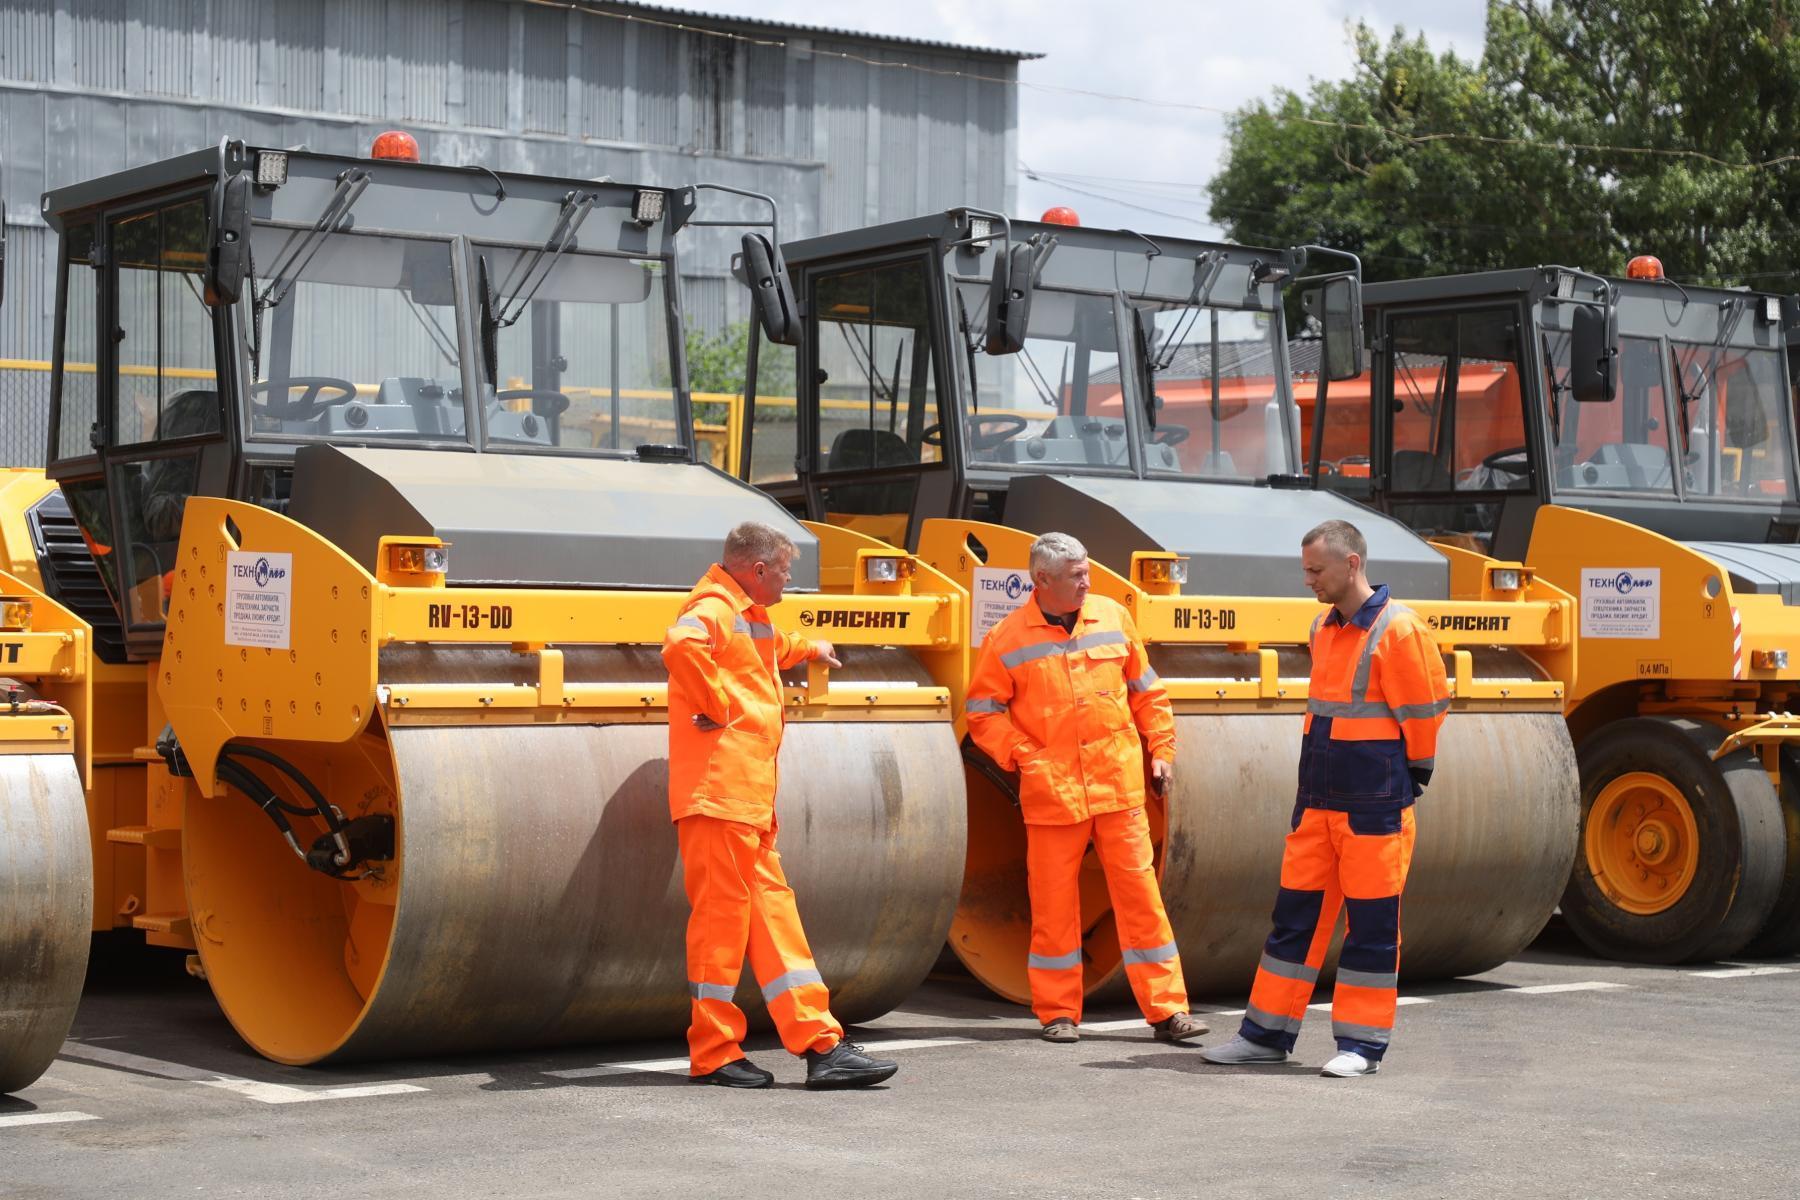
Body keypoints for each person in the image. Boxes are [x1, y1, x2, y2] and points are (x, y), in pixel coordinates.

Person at [1201, 519, 1449, 1077]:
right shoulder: (1323, 628)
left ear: (1351, 564)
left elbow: (1426, 713)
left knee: (1372, 927)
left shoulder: (1399, 630)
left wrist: (1410, 777)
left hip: (1374, 806)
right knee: (1294, 921)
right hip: (1317, 800)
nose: (1308, 579)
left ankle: (1361, 1047)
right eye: (1306, 570)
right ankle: (1264, 1036)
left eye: (1316, 569)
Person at [662, 520, 900, 1090]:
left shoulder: (750, 615)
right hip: (719, 798)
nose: (791, 580)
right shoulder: (715, 605)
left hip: (746, 800)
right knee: (722, 926)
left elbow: (765, 651)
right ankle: (714, 1052)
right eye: (787, 570)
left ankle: (823, 1045)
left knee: (775, 919)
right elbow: (680, 645)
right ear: (758, 569)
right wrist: (715, 705)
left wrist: (812, 646)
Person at [966, 531, 1208, 1046]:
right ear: (1042, 580)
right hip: (1053, 797)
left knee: (1142, 900)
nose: (1086, 582)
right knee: (1054, 907)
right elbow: (983, 714)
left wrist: (1162, 751)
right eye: (1075, 575)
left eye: (1086, 571)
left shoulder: (1113, 618)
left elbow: (1148, 693)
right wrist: (1024, 756)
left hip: (1119, 790)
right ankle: (1058, 1012)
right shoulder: (1008, 639)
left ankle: (1168, 1011)